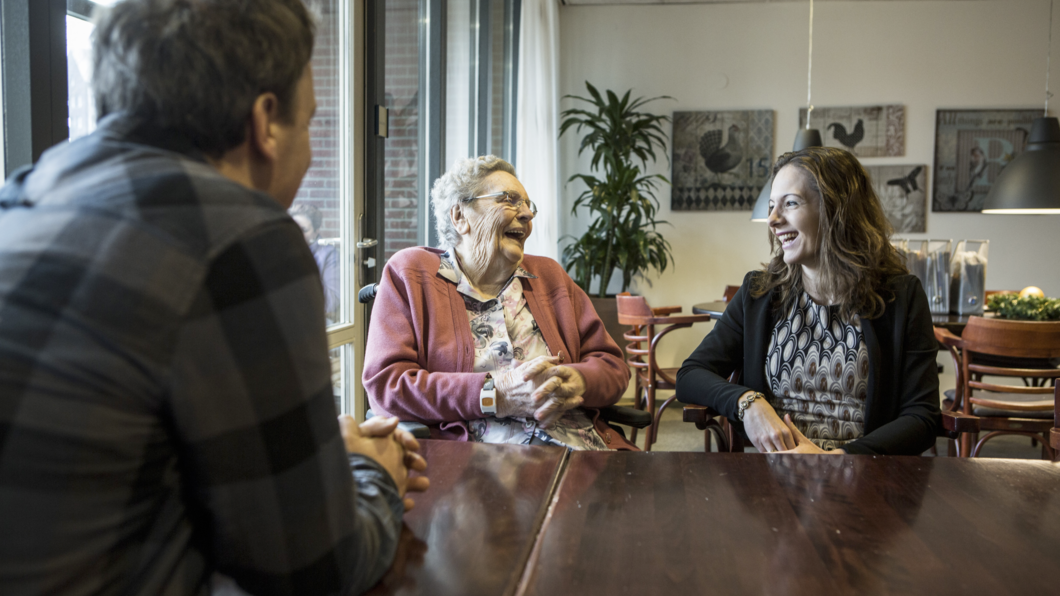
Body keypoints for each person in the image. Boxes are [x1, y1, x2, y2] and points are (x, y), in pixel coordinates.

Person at [0, 1, 427, 594]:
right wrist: (369, 472)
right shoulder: (241, 236)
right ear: (266, 122)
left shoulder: (23, 198)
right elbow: (315, 568)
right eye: (309, 124)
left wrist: (315, 451)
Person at [677, 147, 941, 456]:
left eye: (790, 204)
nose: (773, 220)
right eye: (772, 206)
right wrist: (748, 402)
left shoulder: (901, 296)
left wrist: (837, 461)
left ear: (836, 208)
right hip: (772, 481)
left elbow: (922, 417)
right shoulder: (759, 292)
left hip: (863, 478)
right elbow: (690, 375)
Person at [363, 156, 633, 450]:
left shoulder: (549, 276)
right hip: (479, 465)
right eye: (509, 200)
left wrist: (577, 381)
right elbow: (387, 385)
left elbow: (613, 366)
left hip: (581, 449)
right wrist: (494, 394)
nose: (528, 214)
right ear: (460, 216)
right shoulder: (411, 275)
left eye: (529, 205)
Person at [290, 203, 340, 324]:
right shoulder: (282, 251)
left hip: (313, 321)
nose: (297, 234)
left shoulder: (330, 254)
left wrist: (303, 267)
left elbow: (332, 302)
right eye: (294, 228)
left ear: (316, 231)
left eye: (304, 230)